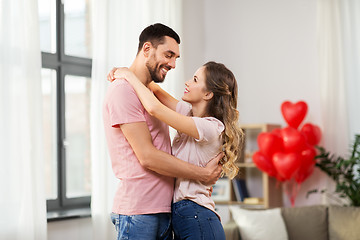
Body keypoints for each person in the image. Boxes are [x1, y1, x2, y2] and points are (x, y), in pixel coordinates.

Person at [103, 23, 223, 240]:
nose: (173, 64)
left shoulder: (148, 93)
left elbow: (155, 98)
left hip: (163, 211)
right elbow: (147, 157)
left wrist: (131, 75)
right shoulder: (123, 91)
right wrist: (202, 174)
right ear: (146, 49)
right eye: (169, 55)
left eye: (176, 57)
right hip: (139, 211)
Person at [111, 61, 244, 240]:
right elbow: (156, 92)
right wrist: (133, 72)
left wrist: (127, 75)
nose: (187, 82)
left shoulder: (211, 127)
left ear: (208, 93)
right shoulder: (189, 114)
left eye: (195, 80)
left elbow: (155, 108)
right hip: (185, 216)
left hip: (198, 216)